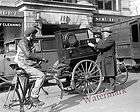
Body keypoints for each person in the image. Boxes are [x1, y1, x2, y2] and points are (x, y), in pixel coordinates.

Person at [14, 26, 46, 106]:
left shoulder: (27, 42)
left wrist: (37, 60)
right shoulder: (23, 42)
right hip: (23, 65)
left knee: (24, 83)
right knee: (41, 76)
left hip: (24, 63)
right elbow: (28, 55)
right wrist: (40, 58)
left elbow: (30, 54)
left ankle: (22, 100)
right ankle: (34, 97)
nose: (35, 36)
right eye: (34, 35)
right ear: (31, 35)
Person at [88, 27, 117, 92]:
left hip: (109, 59)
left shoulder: (111, 39)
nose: (104, 33)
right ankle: (108, 87)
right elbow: (99, 48)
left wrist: (93, 45)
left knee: (110, 74)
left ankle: (112, 88)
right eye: (103, 32)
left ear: (109, 33)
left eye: (105, 32)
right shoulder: (104, 39)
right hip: (104, 59)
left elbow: (103, 47)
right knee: (105, 74)